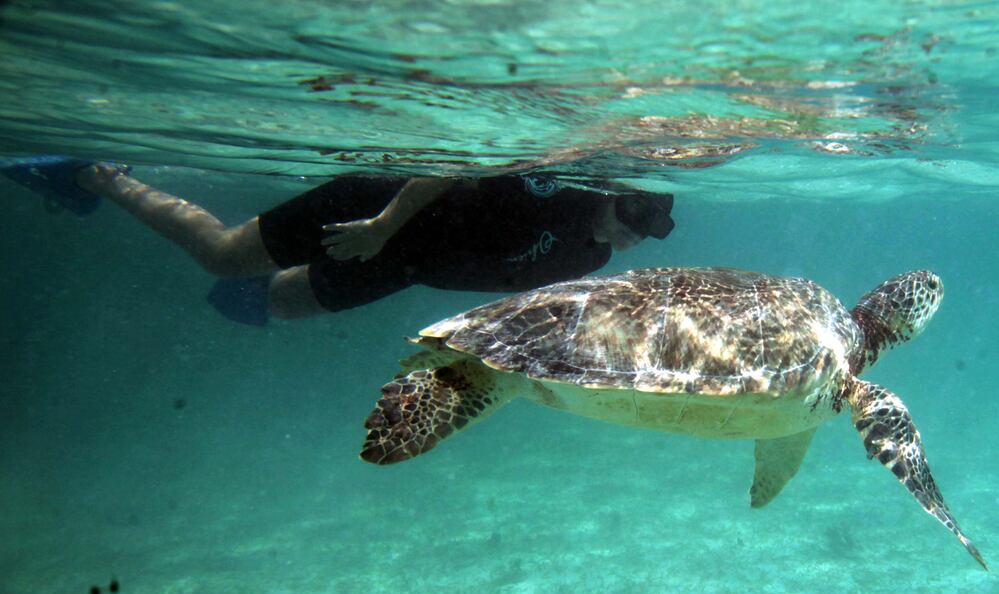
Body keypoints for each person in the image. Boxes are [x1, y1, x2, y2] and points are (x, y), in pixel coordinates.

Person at [2, 157, 676, 325]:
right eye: (632, 211)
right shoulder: (556, 187)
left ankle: (168, 304)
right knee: (224, 255)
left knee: (277, 307)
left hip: (404, 265)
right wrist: (382, 227)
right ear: (612, 188)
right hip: (377, 211)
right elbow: (451, 169)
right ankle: (93, 177)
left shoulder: (587, 256)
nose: (633, 232)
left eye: (646, 227)